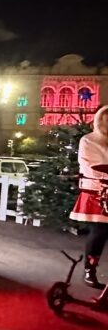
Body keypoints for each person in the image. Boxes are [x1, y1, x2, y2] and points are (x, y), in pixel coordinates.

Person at [70, 105, 108, 288]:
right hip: (96, 191)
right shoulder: (88, 141)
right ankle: (89, 270)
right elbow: (90, 166)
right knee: (100, 231)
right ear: (99, 121)